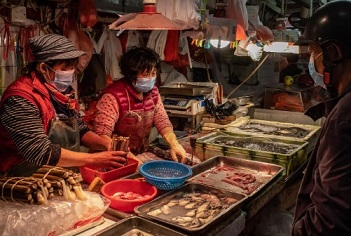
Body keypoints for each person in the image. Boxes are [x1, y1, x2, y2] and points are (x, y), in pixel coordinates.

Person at [0, 34, 127, 177]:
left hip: (58, 176)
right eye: (65, 68)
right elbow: (39, 151)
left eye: (72, 67)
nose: (71, 73)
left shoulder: (62, 93)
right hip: (23, 181)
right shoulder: (20, 98)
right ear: (43, 67)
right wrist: (94, 159)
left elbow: (81, 130)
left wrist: (105, 144)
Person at [292, 1, 351, 235]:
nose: (311, 62)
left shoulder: (344, 118)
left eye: (313, 53)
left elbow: (330, 221)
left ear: (333, 53)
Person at [93, 47, 187, 163]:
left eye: (153, 73)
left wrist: (174, 144)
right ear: (131, 74)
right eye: (145, 75)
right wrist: (133, 160)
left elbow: (162, 120)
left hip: (141, 153)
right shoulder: (111, 97)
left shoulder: (153, 92)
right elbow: (102, 135)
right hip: (112, 157)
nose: (150, 78)